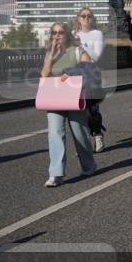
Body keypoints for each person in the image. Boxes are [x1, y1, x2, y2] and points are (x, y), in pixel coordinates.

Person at [40, 22, 96, 187]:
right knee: (55, 133)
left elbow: (88, 68)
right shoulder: (50, 53)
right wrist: (51, 55)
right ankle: (56, 174)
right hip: (54, 97)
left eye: (60, 32)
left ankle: (89, 165)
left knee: (80, 134)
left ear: (67, 35)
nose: (57, 35)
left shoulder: (78, 51)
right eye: (54, 33)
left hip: (74, 96)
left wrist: (71, 72)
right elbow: (44, 75)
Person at [72, 7, 106, 153]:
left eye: (89, 16)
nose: (86, 18)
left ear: (92, 19)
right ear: (78, 18)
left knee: (92, 108)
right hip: (76, 74)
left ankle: (97, 134)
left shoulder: (96, 34)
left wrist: (81, 44)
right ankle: (84, 140)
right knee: (79, 109)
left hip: (92, 74)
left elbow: (96, 56)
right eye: (83, 16)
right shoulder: (73, 34)